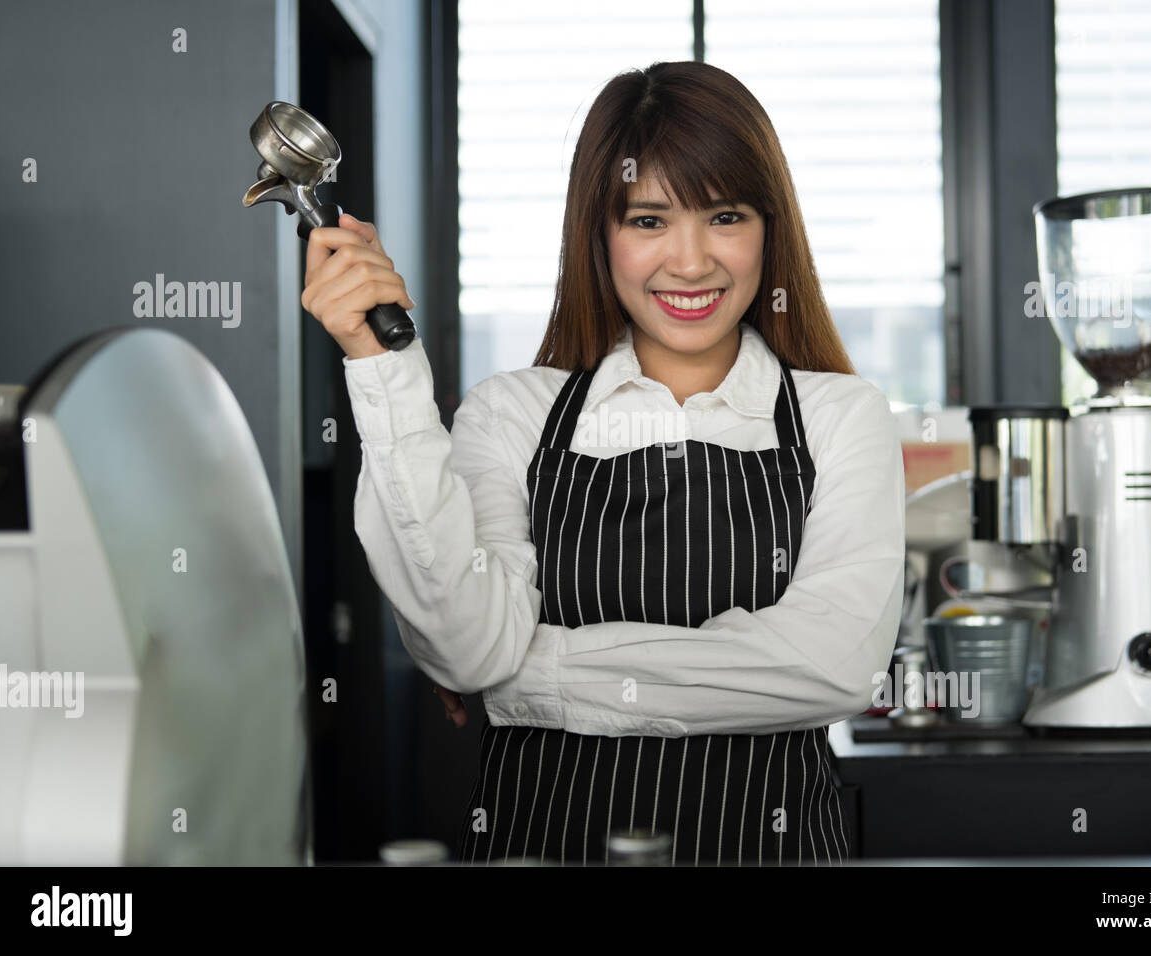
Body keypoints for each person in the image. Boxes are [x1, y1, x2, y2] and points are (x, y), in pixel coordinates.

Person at [301, 60, 905, 866]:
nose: (690, 263)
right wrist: (384, 369)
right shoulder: (514, 412)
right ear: (600, 233)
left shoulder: (841, 418)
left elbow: (831, 668)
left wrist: (529, 676)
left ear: (771, 229)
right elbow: (465, 645)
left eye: (725, 215)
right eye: (649, 220)